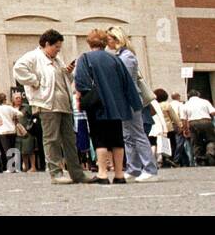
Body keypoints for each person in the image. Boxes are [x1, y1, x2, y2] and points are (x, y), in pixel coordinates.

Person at [13, 29, 91, 185]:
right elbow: (18, 69)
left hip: (64, 104)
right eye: (56, 47)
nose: (58, 50)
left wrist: (67, 72)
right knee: (52, 139)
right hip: (48, 104)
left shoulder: (57, 60)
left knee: (70, 140)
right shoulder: (33, 56)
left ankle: (77, 173)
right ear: (47, 44)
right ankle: (55, 173)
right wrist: (35, 81)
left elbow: (63, 80)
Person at [73, 29, 141, 184]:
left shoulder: (85, 58)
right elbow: (128, 82)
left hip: (98, 106)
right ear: (105, 43)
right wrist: (134, 104)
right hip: (116, 105)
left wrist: (80, 98)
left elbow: (81, 82)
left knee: (100, 139)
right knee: (117, 139)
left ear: (89, 42)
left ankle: (103, 174)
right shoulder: (115, 59)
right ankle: (119, 174)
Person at [105, 26, 159, 182]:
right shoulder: (120, 55)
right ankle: (133, 168)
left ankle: (149, 169)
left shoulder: (127, 56)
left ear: (117, 39)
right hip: (123, 100)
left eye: (109, 39)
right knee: (128, 136)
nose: (107, 42)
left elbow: (125, 79)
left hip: (130, 99)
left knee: (137, 134)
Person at [179, 90, 215, 166]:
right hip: (206, 121)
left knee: (196, 142)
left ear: (188, 96)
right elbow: (213, 112)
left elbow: (183, 119)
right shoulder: (205, 101)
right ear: (198, 95)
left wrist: (185, 130)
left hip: (193, 123)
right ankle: (210, 153)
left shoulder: (185, 105)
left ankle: (200, 159)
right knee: (210, 139)